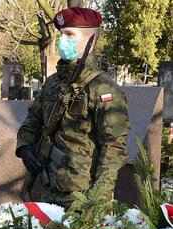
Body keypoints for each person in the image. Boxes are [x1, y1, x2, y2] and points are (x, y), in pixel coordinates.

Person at [15, 7, 130, 208]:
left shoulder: (102, 88)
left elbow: (113, 147)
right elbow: (34, 117)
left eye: (70, 34)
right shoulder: (52, 83)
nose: (63, 40)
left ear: (91, 40)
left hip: (81, 195)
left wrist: (98, 198)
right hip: (46, 186)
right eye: (61, 34)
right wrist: (24, 146)